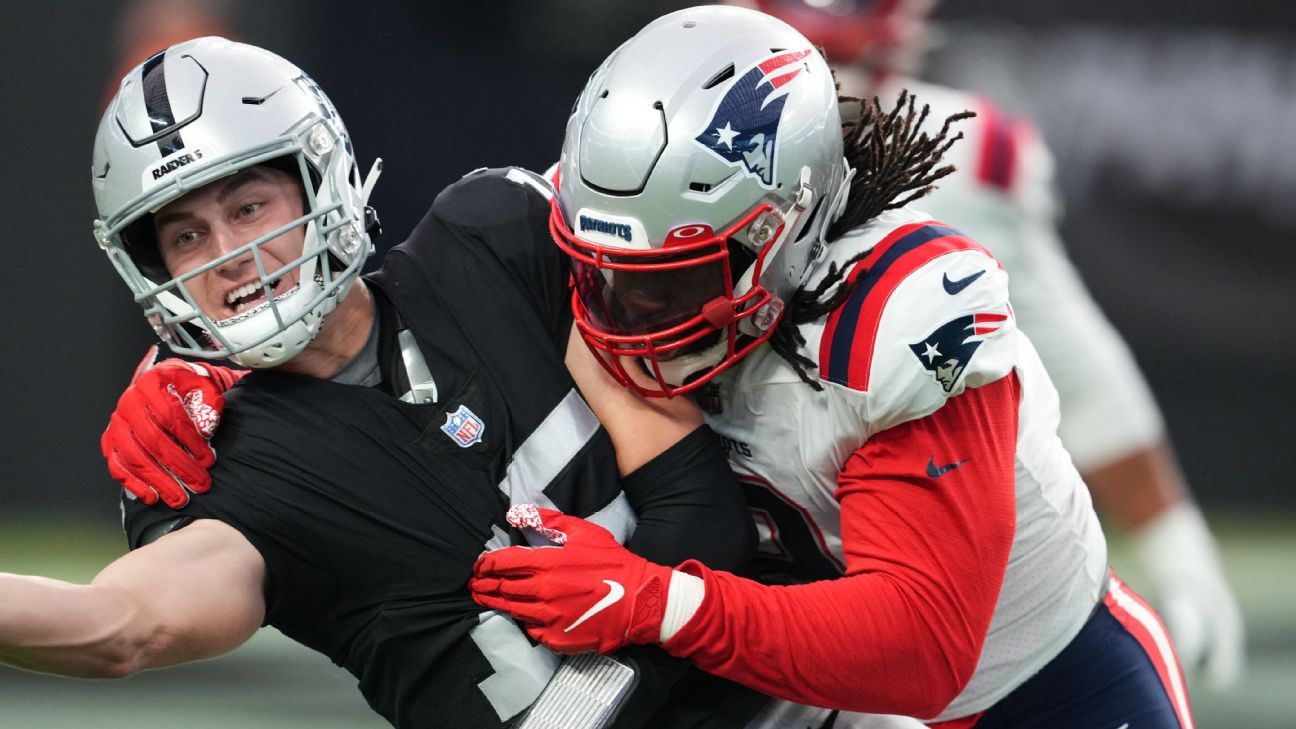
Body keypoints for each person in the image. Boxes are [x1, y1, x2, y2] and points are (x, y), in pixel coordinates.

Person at [8, 36, 768, 729]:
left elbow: (702, 504)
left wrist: (604, 696)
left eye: (248, 207)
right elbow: (119, 623)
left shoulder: (490, 241)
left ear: (323, 183)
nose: (229, 254)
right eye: (186, 236)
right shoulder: (219, 459)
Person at [468, 6, 1195, 729]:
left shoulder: (899, 319)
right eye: (610, 274)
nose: (635, 314)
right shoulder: (597, 218)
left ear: (784, 231)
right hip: (796, 695)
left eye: (677, 277)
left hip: (1040, 695)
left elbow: (923, 647)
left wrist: (658, 602)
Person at [739, 0, 1243, 691]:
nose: (832, 103)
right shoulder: (652, 135)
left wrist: (1173, 538)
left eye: (845, 68)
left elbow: (1072, 353)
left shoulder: (963, 150)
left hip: (875, 543)